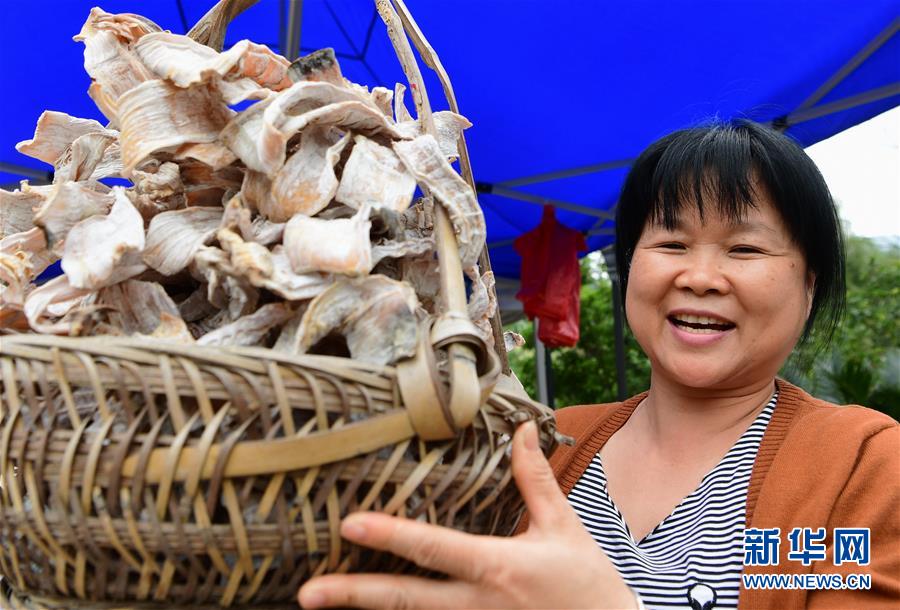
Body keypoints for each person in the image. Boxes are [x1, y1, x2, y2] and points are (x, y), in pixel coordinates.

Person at [296, 120, 899, 609]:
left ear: (809, 285)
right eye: (671, 243)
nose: (699, 277)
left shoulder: (865, 462)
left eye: (744, 248)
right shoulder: (546, 440)